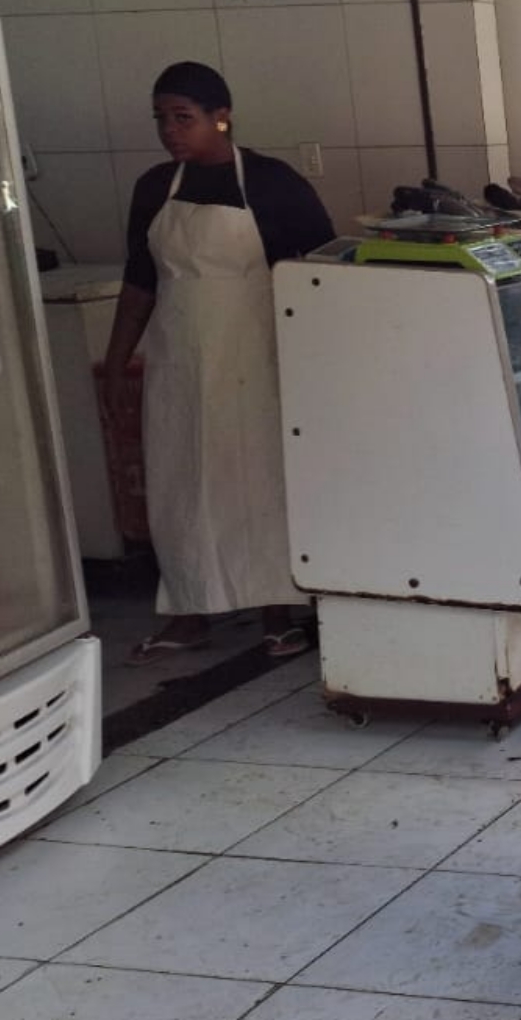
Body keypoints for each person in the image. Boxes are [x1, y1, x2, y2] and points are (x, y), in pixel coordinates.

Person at [103, 62, 333, 666]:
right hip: (179, 357)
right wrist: (117, 360)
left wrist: (319, 361)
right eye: (162, 118)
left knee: (258, 477)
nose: (170, 131)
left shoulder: (271, 182)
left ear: (220, 117)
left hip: (259, 352)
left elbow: (319, 272)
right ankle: (189, 609)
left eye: (183, 117)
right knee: (181, 480)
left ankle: (278, 611)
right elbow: (139, 281)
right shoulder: (156, 187)